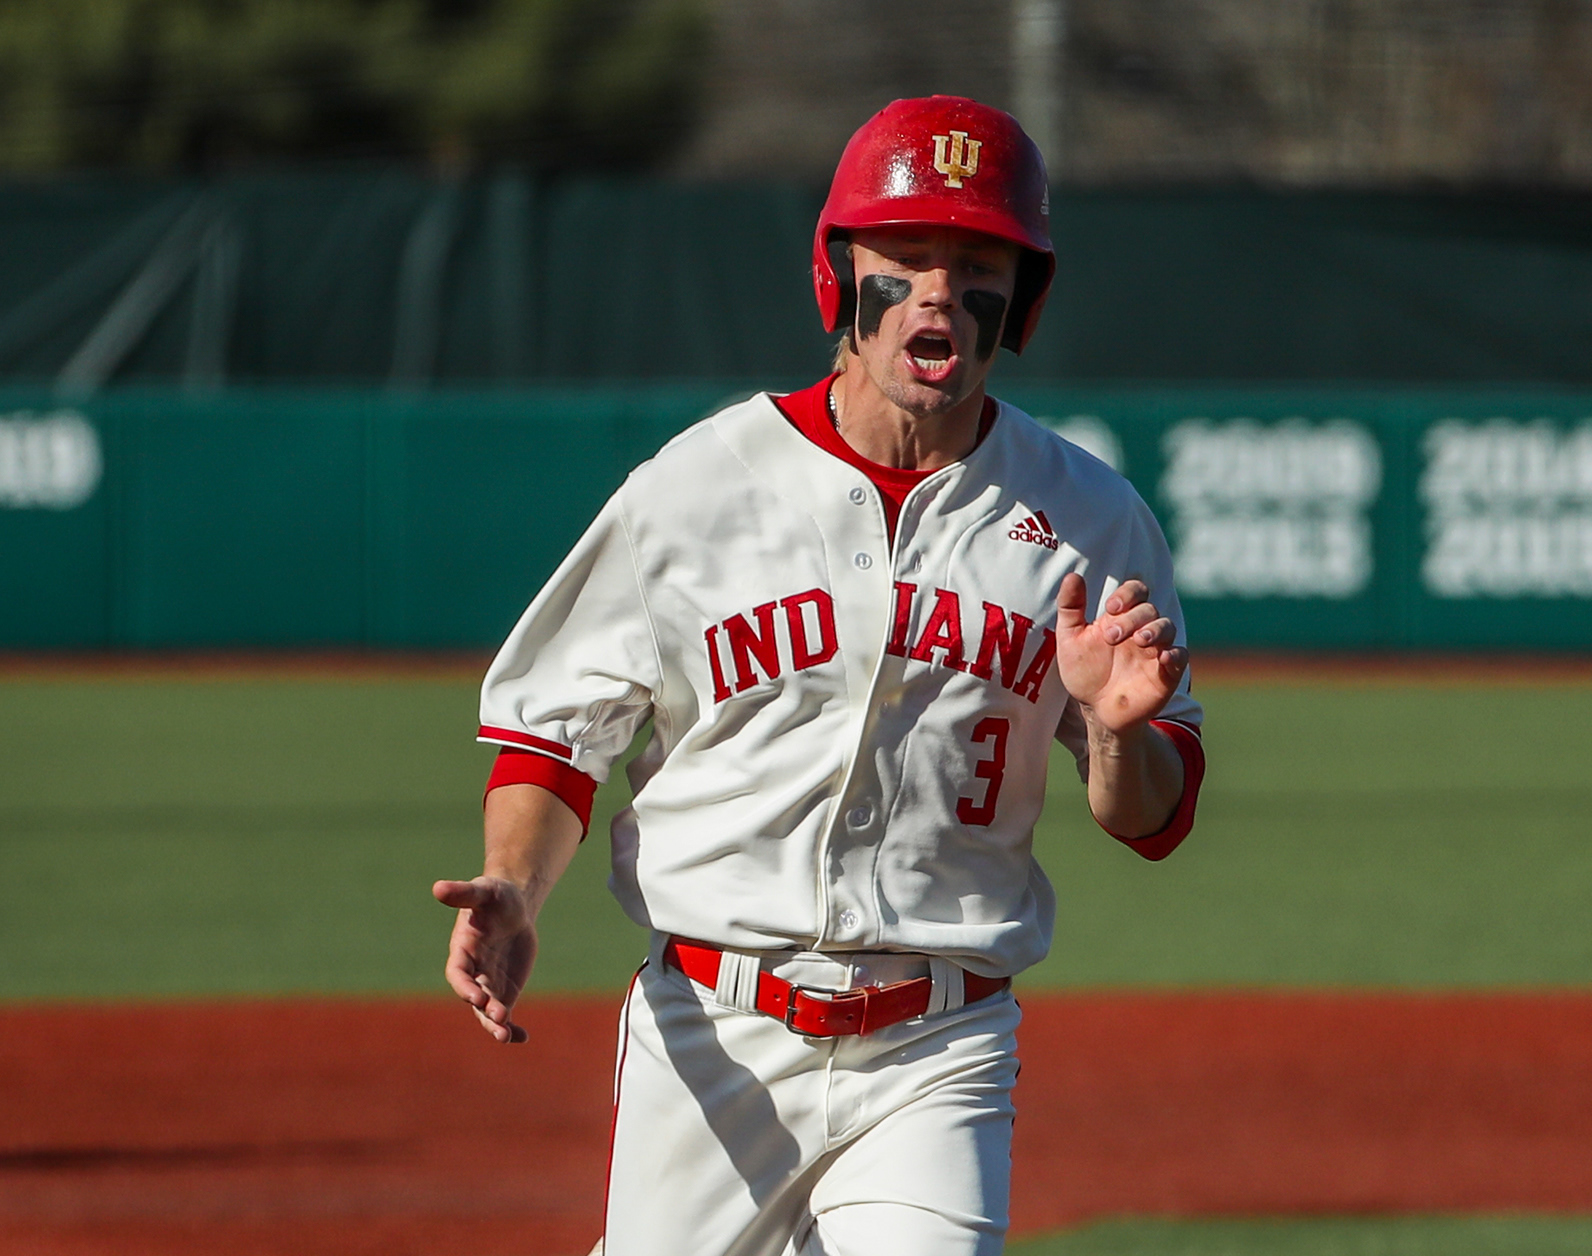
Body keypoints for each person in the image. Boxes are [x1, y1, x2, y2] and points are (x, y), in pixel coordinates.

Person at [433, 94, 1205, 1256]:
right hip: (713, 1033)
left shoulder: (1089, 517)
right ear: (842, 277)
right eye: (905, 255)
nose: (939, 289)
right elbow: (556, 734)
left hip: (938, 1047)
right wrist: (513, 886)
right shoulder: (696, 487)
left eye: (975, 259)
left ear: (1022, 294)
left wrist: (1110, 728)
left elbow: (1153, 816)